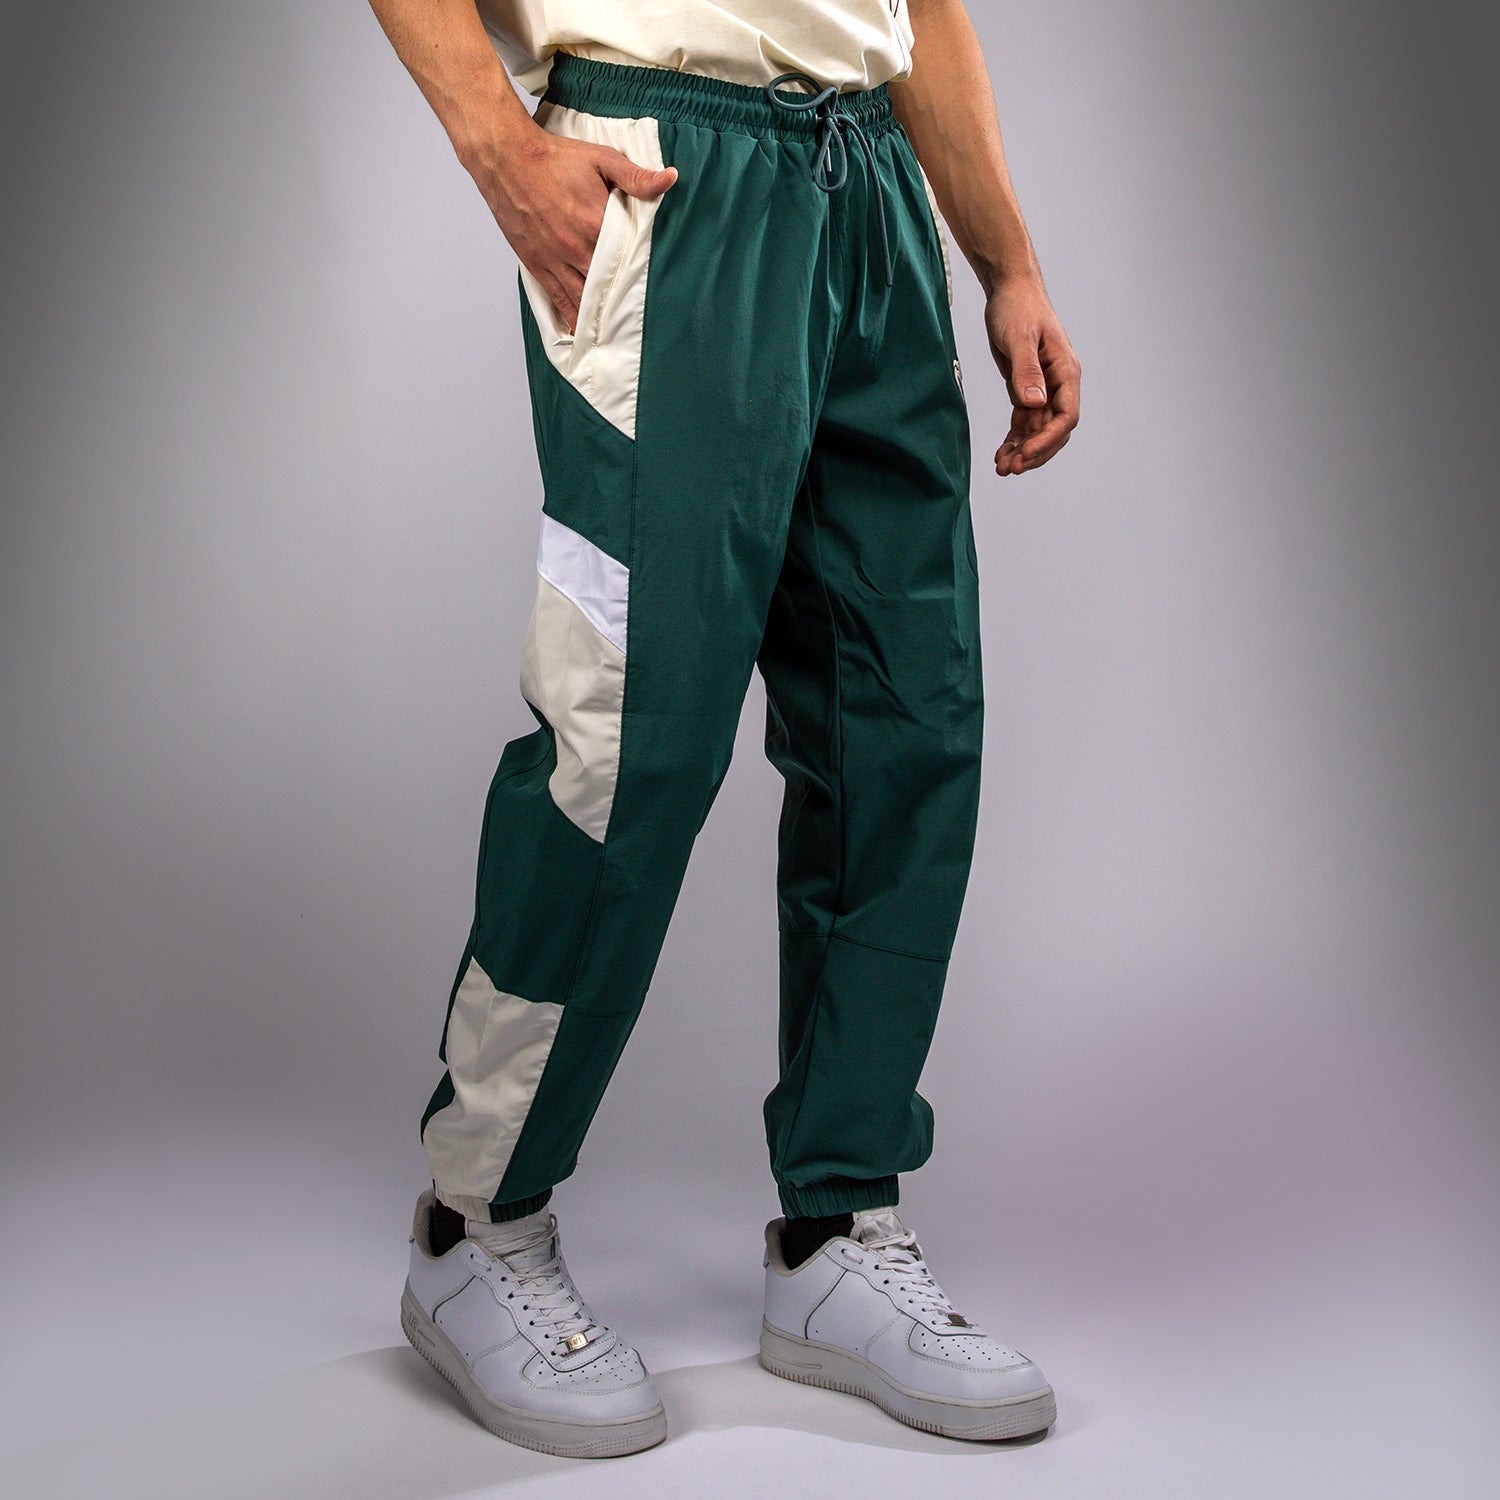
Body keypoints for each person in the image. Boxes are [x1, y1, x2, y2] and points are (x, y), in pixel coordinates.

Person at [367, 0, 1080, 1459]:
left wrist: (1006, 259)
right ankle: (473, 1224)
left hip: (869, 181)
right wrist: (498, 144)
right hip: (670, 166)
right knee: (634, 732)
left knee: (906, 721)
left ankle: (838, 1229)